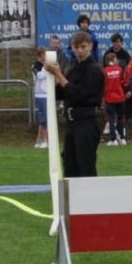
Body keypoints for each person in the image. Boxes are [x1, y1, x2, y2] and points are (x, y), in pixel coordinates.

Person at [46, 31, 105, 177]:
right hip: (71, 124)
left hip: (86, 123)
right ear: (71, 47)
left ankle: (89, 199)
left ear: (90, 47)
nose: (79, 50)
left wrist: (59, 75)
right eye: (76, 47)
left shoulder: (95, 70)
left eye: (83, 47)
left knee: (85, 167)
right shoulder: (73, 68)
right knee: (70, 165)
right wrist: (50, 77)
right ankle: (71, 200)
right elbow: (62, 93)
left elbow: (79, 94)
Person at [102, 51, 128, 146]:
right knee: (121, 118)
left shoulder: (104, 71)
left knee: (111, 119)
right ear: (114, 59)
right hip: (120, 97)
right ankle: (122, 138)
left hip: (109, 98)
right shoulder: (120, 69)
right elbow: (123, 82)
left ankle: (113, 140)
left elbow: (103, 85)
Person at [31, 52, 53, 148]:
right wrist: (45, 67)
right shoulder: (35, 66)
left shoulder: (48, 66)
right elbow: (40, 76)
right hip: (40, 95)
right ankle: (44, 140)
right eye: (44, 56)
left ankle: (40, 140)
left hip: (48, 95)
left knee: (45, 119)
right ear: (40, 57)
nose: (45, 58)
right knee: (44, 120)